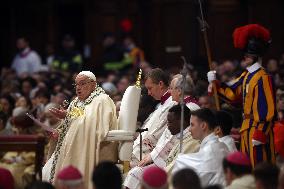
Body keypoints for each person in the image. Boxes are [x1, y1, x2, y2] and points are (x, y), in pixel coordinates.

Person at [207, 24, 276, 167]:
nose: (246, 56)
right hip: (246, 128)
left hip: (256, 130)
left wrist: (260, 132)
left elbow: (266, 109)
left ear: (257, 55)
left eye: (249, 54)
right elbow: (233, 95)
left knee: (259, 166)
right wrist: (215, 84)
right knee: (247, 167)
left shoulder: (263, 77)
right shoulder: (247, 75)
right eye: (246, 53)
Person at [42, 71, 118, 189]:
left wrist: (68, 116)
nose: (78, 88)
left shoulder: (102, 100)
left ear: (93, 84)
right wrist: (59, 131)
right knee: (46, 173)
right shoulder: (75, 102)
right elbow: (73, 124)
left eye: (82, 84)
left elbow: (96, 126)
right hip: (68, 148)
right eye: (76, 85)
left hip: (91, 148)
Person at [124, 105, 200, 189]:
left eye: (170, 122)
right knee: (134, 172)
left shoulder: (190, 138)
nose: (167, 125)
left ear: (181, 122)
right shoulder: (172, 129)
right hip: (157, 162)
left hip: (169, 170)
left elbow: (175, 162)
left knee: (140, 174)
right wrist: (151, 156)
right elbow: (160, 144)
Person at [131, 68, 176, 167]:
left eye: (150, 88)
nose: (148, 93)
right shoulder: (162, 105)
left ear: (160, 84)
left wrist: (136, 151)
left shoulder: (172, 104)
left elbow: (158, 133)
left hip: (151, 155)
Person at [173, 108, 229, 187]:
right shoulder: (222, 145)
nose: (189, 129)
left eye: (192, 125)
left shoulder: (211, 149)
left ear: (203, 125)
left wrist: (180, 159)